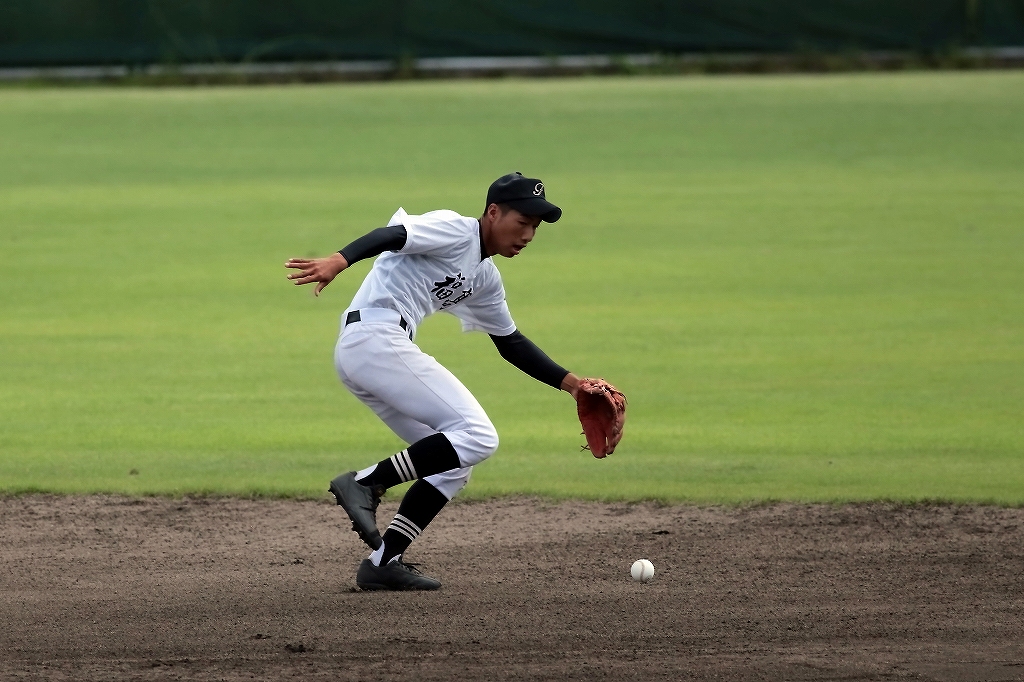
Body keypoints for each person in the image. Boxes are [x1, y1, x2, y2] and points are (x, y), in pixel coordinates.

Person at [285, 172, 583, 591]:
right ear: (493, 213)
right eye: (523, 221)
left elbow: (510, 342)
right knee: (478, 436)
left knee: (453, 464)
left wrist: (574, 385)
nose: (529, 234)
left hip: (373, 350)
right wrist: (340, 259)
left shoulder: (485, 276)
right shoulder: (456, 230)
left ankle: (383, 561)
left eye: (536, 226)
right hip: (375, 339)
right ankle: (366, 482)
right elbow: (393, 234)